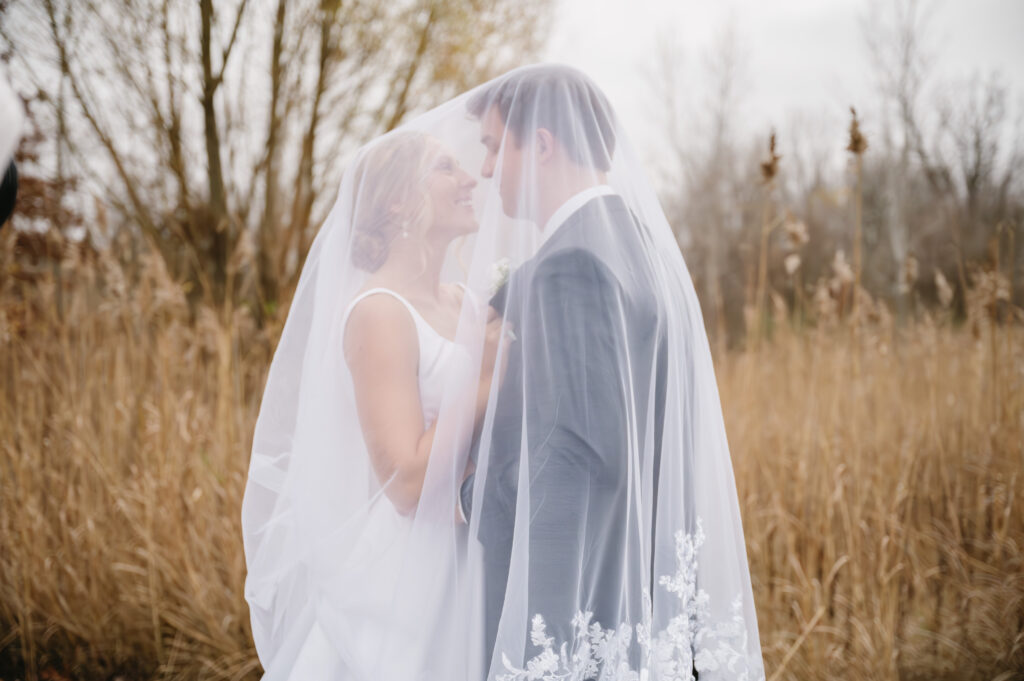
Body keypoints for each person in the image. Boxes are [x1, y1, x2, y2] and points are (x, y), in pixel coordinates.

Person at [242, 64, 764, 681]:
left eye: (488, 150)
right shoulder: (384, 313)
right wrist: (485, 382)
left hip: (492, 559)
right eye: (448, 166)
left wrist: (479, 492)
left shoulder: (500, 294)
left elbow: (574, 447)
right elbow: (410, 478)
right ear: (396, 199)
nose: (476, 175)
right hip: (420, 570)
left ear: (541, 144)